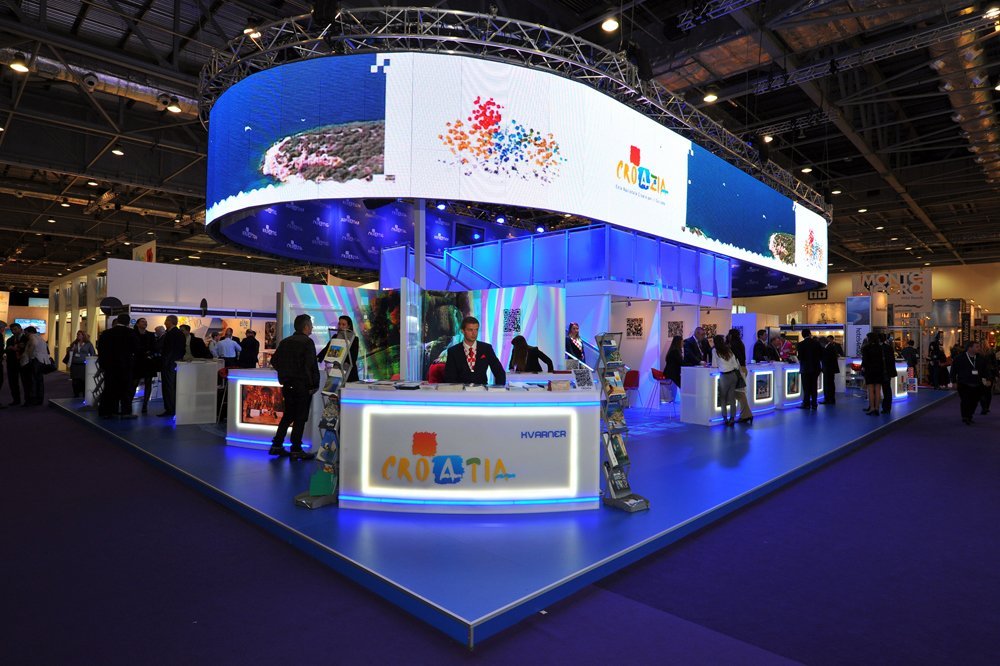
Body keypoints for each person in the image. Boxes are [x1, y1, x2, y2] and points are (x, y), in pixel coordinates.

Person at [268, 313, 320, 459]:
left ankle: (277, 445)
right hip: (302, 386)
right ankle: (296, 449)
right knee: (300, 418)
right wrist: (314, 384)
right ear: (306, 327)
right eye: (311, 325)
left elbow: (274, 361)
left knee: (288, 415)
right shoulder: (307, 342)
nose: (312, 328)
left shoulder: (285, 342)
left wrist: (286, 373)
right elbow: (311, 365)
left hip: (288, 385)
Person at [97, 313, 139, 419]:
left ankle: (108, 411)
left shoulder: (106, 333)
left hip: (110, 366)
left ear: (118, 320)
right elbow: (136, 349)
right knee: (126, 389)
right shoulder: (131, 333)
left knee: (109, 388)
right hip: (125, 366)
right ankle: (126, 412)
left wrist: (103, 365)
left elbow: (101, 350)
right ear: (128, 322)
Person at [443, 316, 506, 385]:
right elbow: (449, 377)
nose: (474, 333)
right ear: (462, 331)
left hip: (482, 390)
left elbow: (499, 372)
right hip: (461, 390)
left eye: (476, 330)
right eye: (470, 330)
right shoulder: (453, 351)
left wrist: (499, 389)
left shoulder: (486, 348)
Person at [951, 340, 985, 425]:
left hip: (977, 384)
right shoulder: (959, 358)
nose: (979, 348)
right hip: (964, 384)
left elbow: (985, 370)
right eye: (976, 347)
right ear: (970, 348)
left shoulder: (980, 358)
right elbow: (953, 370)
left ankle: (969, 415)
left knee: (974, 402)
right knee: (965, 401)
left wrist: (988, 378)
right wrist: (954, 381)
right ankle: (965, 417)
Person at [317, 316, 360, 381]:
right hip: (337, 370)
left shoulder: (354, 339)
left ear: (349, 326)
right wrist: (317, 359)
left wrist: (340, 356)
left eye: (343, 324)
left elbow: (353, 357)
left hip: (349, 372)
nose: (340, 326)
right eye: (339, 324)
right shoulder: (335, 336)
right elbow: (326, 349)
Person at [158, 315, 186, 417]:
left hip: (169, 365)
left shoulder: (172, 334)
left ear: (170, 321)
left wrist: (166, 362)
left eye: (166, 320)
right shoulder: (179, 333)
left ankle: (170, 409)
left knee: (168, 387)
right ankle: (172, 408)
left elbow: (169, 350)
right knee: (172, 387)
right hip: (174, 364)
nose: (165, 322)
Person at [713, 334, 742, 427]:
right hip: (733, 375)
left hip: (724, 376)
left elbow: (714, 365)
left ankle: (725, 418)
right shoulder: (728, 350)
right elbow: (736, 365)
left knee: (723, 398)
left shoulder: (715, 351)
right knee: (732, 398)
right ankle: (732, 418)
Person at [132, 318, 158, 414]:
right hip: (137, 361)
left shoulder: (150, 335)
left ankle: (145, 405)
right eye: (143, 321)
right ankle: (129, 402)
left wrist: (149, 354)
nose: (145, 323)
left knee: (148, 382)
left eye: (146, 322)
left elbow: (154, 347)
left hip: (148, 361)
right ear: (137, 324)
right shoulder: (133, 334)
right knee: (134, 382)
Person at [726, 328, 752, 423]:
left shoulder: (732, 345)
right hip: (742, 368)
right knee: (739, 393)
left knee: (739, 394)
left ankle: (746, 415)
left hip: (738, 370)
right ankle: (745, 414)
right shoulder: (740, 343)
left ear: (731, 335)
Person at [20, 326, 50, 406]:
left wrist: (30, 355)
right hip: (41, 361)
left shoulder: (32, 337)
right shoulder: (41, 338)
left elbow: (33, 344)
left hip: (35, 361)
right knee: (39, 381)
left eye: (25, 332)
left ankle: (33, 400)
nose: (25, 334)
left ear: (29, 332)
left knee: (33, 381)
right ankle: (39, 399)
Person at [63, 330, 96, 398]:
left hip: (83, 365)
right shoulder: (74, 343)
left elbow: (93, 353)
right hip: (74, 365)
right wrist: (71, 350)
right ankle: (76, 394)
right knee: (75, 381)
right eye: (77, 334)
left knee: (83, 381)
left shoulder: (88, 344)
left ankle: (84, 395)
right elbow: (69, 352)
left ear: (83, 335)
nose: (77, 336)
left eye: (79, 334)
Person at [796, 329, 822, 410]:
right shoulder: (816, 343)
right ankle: (814, 404)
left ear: (803, 335)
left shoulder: (800, 344)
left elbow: (800, 357)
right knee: (814, 386)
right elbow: (821, 355)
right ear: (810, 334)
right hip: (815, 368)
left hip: (805, 369)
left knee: (806, 387)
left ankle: (806, 404)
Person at [860, 331, 885, 415]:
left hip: (869, 370)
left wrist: (863, 367)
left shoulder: (866, 348)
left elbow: (865, 360)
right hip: (879, 370)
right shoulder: (880, 348)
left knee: (870, 390)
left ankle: (872, 408)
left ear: (869, 338)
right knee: (878, 390)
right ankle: (877, 408)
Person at [5, 322, 25, 405]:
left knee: (26, 382)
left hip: (24, 363)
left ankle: (28, 400)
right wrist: (10, 349)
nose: (13, 331)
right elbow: (7, 351)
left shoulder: (26, 338)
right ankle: (16, 400)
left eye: (15, 329)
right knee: (13, 383)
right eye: (12, 330)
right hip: (12, 363)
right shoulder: (10, 340)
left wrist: (15, 348)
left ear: (20, 329)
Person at [820, 335, 841, 405]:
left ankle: (828, 399)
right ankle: (831, 399)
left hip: (828, 369)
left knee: (828, 384)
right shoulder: (831, 347)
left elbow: (827, 359)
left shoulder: (829, 348)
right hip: (830, 369)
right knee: (830, 384)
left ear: (822, 343)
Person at [880, 334, 898, 414]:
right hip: (887, 372)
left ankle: (883, 407)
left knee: (884, 390)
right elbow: (892, 360)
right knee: (887, 389)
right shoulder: (889, 348)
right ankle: (887, 407)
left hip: (881, 372)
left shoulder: (879, 348)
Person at [979, 343, 996, 416]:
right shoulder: (978, 353)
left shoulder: (990, 353)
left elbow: (995, 363)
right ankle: (985, 407)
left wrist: (996, 374)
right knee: (985, 392)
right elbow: (995, 364)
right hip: (984, 374)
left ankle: (985, 407)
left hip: (987, 374)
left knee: (985, 392)